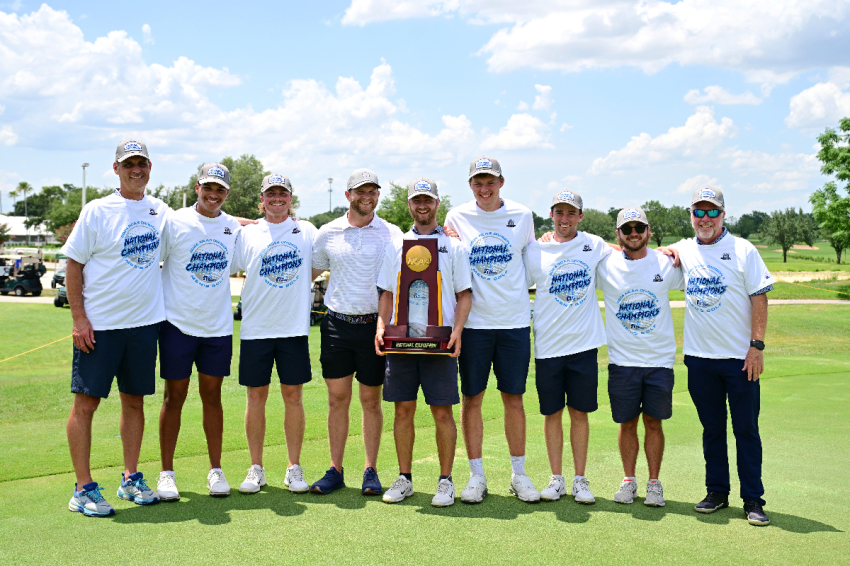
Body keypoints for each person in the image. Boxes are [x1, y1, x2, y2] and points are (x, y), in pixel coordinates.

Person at [63, 139, 164, 516]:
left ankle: (130, 477)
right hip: (100, 328)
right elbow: (73, 264)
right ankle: (83, 487)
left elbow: (200, 219)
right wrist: (79, 318)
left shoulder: (159, 210)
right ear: (116, 168)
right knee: (86, 403)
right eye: (129, 163)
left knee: (134, 401)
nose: (136, 169)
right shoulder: (97, 210)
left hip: (143, 327)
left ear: (150, 168)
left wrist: (251, 223)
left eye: (142, 163)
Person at [666, 187, 774, 526]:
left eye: (712, 212)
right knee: (712, 430)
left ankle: (753, 499)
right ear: (692, 216)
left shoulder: (743, 250)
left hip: (740, 361)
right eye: (699, 212)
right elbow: (639, 254)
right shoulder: (684, 248)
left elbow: (760, 297)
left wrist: (756, 346)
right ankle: (717, 491)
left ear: (724, 215)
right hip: (699, 359)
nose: (705, 219)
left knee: (746, 430)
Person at [444, 156, 540, 503]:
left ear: (501, 182)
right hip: (474, 325)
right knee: (472, 399)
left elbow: (540, 254)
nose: (484, 189)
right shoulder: (455, 216)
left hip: (514, 322)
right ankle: (477, 476)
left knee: (514, 399)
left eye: (490, 182)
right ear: (470, 185)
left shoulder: (522, 215)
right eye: (477, 183)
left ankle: (519, 474)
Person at [374, 178, 472, 507]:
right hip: (401, 342)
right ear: (409, 205)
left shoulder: (454, 247)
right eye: (416, 200)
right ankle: (405, 478)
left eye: (427, 200)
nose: (422, 205)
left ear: (437, 203)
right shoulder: (396, 245)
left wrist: (457, 331)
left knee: (442, 413)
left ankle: (445, 480)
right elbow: (387, 292)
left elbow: (464, 295)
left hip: (440, 343)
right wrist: (380, 326)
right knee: (403, 410)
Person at [310, 169, 403, 495]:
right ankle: (335, 469)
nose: (368, 197)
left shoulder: (391, 233)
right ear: (348, 195)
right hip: (336, 326)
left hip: (373, 328)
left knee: (370, 401)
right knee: (337, 399)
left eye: (373, 191)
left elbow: (422, 253)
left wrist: (450, 234)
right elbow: (311, 271)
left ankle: (370, 470)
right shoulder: (328, 232)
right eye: (361, 191)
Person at [155, 163, 242, 501]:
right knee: (173, 397)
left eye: (220, 189)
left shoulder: (233, 227)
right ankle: (166, 473)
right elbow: (154, 261)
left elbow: (243, 250)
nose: (213, 194)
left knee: (212, 397)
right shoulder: (175, 221)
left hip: (217, 327)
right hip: (177, 324)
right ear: (196, 188)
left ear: (227, 194)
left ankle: (216, 470)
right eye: (208, 187)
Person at [230, 174, 318, 495]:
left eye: (282, 194)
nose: (277, 198)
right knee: (256, 398)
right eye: (271, 194)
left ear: (291, 199)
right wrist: (244, 220)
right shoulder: (248, 233)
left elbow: (322, 259)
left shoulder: (306, 230)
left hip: (293, 330)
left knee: (293, 397)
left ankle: (294, 468)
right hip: (256, 329)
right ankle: (257, 468)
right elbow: (219, 229)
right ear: (262, 200)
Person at [524, 189, 611, 504]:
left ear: (580, 217)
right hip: (548, 347)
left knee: (579, 413)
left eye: (570, 213)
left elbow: (623, 249)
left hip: (584, 346)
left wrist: (669, 251)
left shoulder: (592, 244)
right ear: (551, 215)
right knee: (552, 414)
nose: (564, 219)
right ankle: (556, 478)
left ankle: (580, 480)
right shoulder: (536, 251)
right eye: (559, 213)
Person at [595, 207, 684, 507]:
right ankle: (629, 481)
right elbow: (575, 246)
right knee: (627, 424)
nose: (634, 233)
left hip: (659, 362)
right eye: (627, 229)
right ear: (618, 234)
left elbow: (701, 264)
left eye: (639, 228)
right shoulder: (605, 264)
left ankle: (655, 484)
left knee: (655, 424)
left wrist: (679, 250)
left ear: (648, 231)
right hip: (622, 362)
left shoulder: (665, 263)